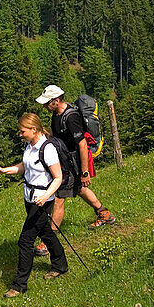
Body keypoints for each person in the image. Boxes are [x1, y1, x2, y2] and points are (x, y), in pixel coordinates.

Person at [0, 112, 69, 298]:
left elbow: (58, 177)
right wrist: (4, 170)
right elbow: (25, 167)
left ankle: (19, 285)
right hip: (30, 197)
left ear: (33, 129)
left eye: (23, 131)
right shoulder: (30, 146)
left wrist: (45, 197)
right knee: (45, 233)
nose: (21, 134)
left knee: (25, 241)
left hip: (41, 200)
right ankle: (61, 265)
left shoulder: (47, 149)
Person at [36, 84, 115, 230]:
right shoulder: (57, 115)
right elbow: (57, 136)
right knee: (80, 189)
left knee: (59, 198)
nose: (45, 106)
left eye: (47, 103)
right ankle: (104, 213)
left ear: (57, 100)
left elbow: (83, 145)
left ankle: (49, 240)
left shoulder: (71, 117)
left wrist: (85, 172)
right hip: (65, 160)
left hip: (74, 162)